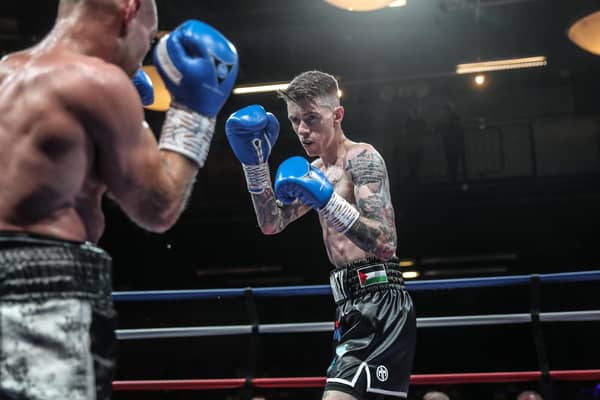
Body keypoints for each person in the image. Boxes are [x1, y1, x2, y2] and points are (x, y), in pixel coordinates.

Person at [0, 0, 238, 398]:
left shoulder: (6, 71)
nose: (145, 52)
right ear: (131, 9)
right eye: (150, 35)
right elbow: (158, 207)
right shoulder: (100, 82)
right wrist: (195, 111)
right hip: (46, 290)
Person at [225, 70, 416, 399]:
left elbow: (385, 244)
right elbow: (272, 223)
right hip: (347, 305)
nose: (302, 130)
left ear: (337, 115)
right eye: (296, 119)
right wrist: (254, 167)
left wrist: (328, 202)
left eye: (312, 118)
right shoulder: (312, 172)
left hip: (381, 300)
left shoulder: (363, 159)